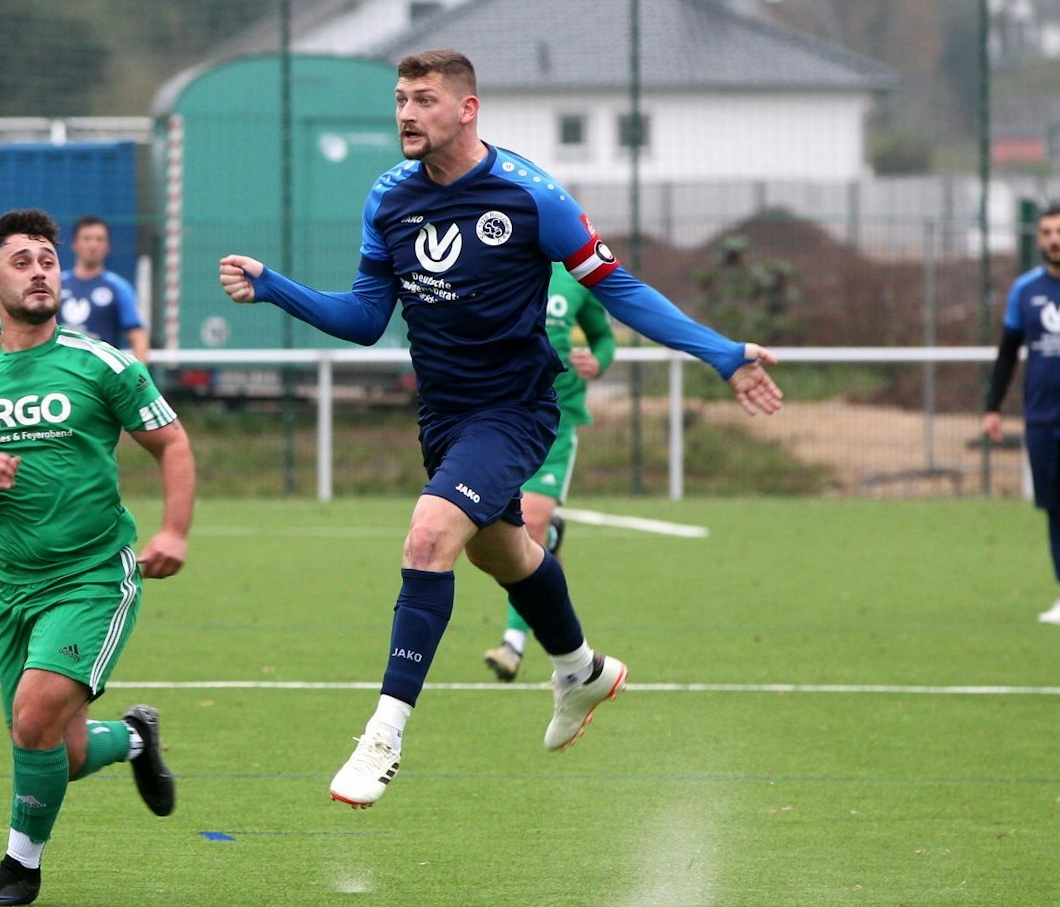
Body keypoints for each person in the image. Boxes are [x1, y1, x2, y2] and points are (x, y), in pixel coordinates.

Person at [216, 48, 783, 808]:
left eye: (423, 99)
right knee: (505, 552)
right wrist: (274, 288)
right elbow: (365, 317)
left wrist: (721, 353)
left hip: (515, 410)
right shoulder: (388, 198)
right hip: (444, 418)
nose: (406, 114)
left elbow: (620, 289)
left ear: (467, 109)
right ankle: (581, 668)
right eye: (400, 99)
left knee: (427, 538)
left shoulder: (531, 195)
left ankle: (383, 734)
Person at [0, 207, 193, 907]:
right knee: (61, 751)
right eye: (22, 262)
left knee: (32, 719)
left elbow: (171, 442)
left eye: (47, 260)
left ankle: (20, 870)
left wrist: (173, 531)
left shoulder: (101, 363)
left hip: (93, 575)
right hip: (16, 586)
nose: (40, 271)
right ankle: (133, 738)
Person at [484, 264, 616, 681]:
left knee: (531, 524)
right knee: (494, 536)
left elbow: (603, 338)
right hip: (506, 417)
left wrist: (597, 361)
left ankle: (512, 644)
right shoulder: (499, 266)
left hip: (558, 424)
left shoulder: (575, 276)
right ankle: (552, 539)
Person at [982, 201, 1060, 625]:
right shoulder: (1024, 291)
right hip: (1043, 420)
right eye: (1046, 232)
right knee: (1055, 510)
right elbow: (1008, 354)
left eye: (1059, 231)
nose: (1054, 239)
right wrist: (992, 407)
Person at [60, 215, 149, 362]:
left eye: (99, 239)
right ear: (74, 244)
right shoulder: (57, 284)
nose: (93, 245)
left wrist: (140, 372)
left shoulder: (119, 287)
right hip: (61, 370)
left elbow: (138, 335)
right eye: (87, 238)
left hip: (101, 372)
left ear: (108, 246)